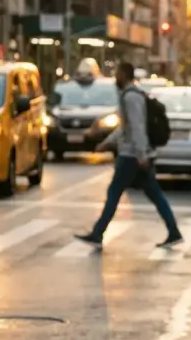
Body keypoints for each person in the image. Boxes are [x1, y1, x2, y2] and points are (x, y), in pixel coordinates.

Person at [75, 61, 183, 248]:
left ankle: (98, 234)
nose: (115, 77)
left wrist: (141, 154)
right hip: (136, 154)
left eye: (117, 73)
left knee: (115, 192)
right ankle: (173, 231)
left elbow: (137, 127)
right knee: (154, 194)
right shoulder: (130, 95)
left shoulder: (131, 97)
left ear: (124, 74)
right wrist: (106, 144)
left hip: (131, 156)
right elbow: (125, 128)